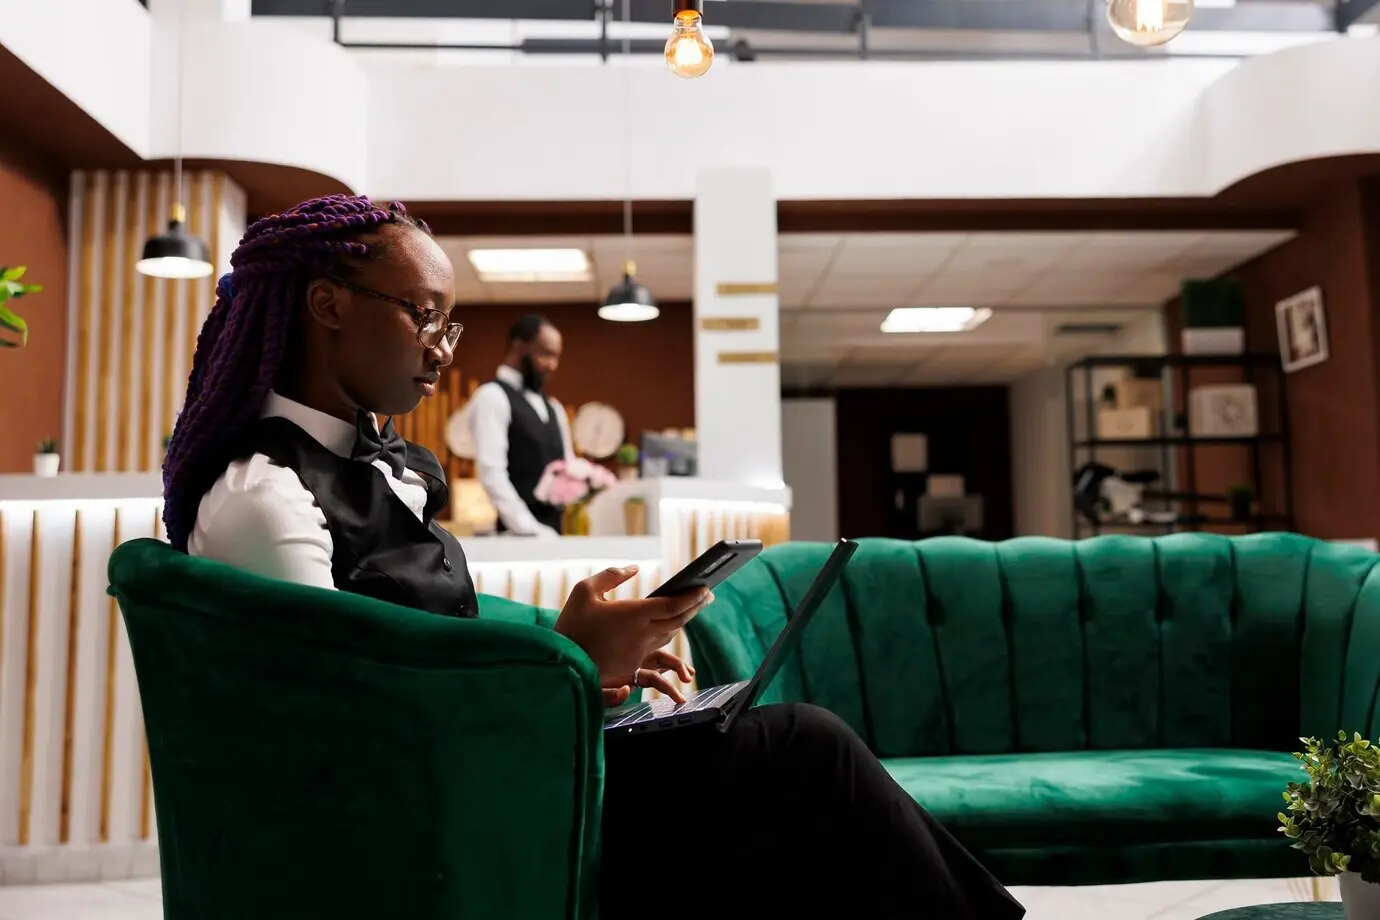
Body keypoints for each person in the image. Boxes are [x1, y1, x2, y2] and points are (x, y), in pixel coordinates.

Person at [166, 194, 1026, 920]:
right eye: (421, 314)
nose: (439, 346)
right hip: (464, 828)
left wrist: (587, 678)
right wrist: (563, 664)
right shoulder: (262, 497)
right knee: (806, 753)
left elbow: (416, 653)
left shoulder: (374, 469)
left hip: (508, 774)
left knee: (801, 781)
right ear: (328, 305)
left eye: (447, 325)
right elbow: (341, 740)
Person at [467, 314, 573, 537]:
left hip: (559, 536)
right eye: (545, 354)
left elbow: (568, 468)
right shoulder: (492, 396)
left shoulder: (555, 408)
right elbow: (492, 473)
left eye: (557, 357)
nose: (552, 365)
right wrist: (531, 529)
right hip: (516, 538)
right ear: (519, 346)